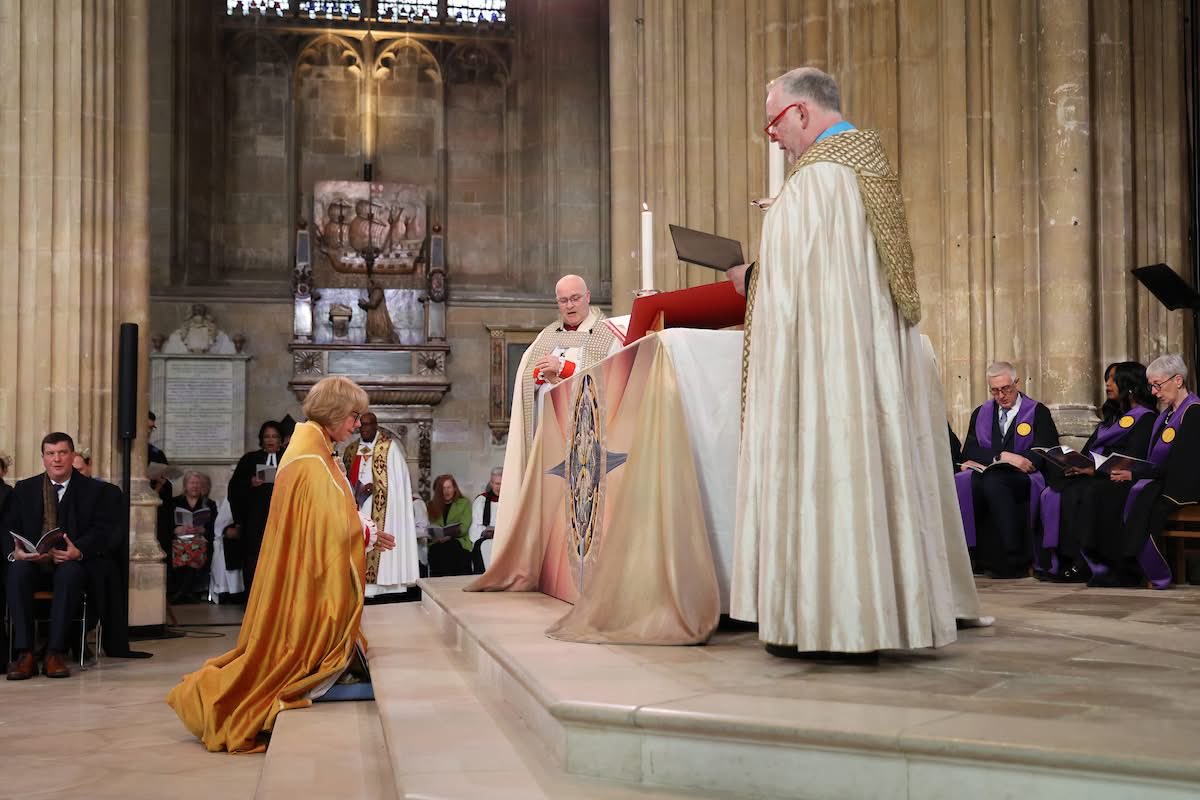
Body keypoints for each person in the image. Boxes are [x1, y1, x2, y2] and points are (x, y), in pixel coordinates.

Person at [727, 67, 982, 657]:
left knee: (829, 471)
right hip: (864, 370)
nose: (771, 135)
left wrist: (751, 278)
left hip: (825, 378)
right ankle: (881, 616)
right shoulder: (866, 167)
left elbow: (792, 298)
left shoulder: (815, 185)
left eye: (772, 121)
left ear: (801, 112)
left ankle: (828, 620)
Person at [167, 376, 396, 753]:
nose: (357, 424)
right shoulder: (311, 457)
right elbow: (327, 524)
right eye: (354, 416)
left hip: (302, 563)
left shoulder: (314, 447)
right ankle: (215, 698)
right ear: (335, 412)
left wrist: (363, 529)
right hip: (306, 572)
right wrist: (365, 532)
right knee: (283, 660)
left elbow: (330, 511)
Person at [493, 274, 622, 564]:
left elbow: (610, 379)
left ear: (588, 297)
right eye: (563, 300)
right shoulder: (548, 336)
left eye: (575, 298)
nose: (570, 305)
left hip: (587, 444)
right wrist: (540, 377)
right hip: (549, 440)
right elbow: (526, 378)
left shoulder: (607, 334)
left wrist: (563, 369)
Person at [3, 432, 113, 680]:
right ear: (43, 458)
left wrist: (79, 551)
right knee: (17, 571)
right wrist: (16, 552)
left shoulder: (94, 490)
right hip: (33, 561)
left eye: (62, 453)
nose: (57, 459)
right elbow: (8, 527)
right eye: (51, 454)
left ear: (72, 456)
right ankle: (25, 653)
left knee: (70, 573)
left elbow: (102, 530)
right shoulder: (24, 489)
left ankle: (55, 652)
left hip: (70, 561)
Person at [1085, 354, 1200, 588]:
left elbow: (1182, 462)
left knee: (1138, 500)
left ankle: (1145, 570)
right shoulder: (1167, 415)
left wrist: (1136, 475)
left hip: (1181, 485)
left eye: (1158, 385)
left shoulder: (1193, 412)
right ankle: (1116, 565)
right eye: (1152, 386)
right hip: (1160, 478)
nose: (1154, 392)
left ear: (1178, 380)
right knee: (1115, 491)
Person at [1035, 363, 1156, 582]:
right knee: (1056, 489)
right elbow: (1087, 452)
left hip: (1120, 479)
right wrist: (1071, 462)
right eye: (1106, 379)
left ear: (1130, 385)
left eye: (1113, 379)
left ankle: (1084, 562)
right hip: (1097, 474)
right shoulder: (1110, 420)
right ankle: (1059, 560)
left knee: (1081, 492)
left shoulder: (1146, 418)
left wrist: (1094, 470)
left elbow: (1133, 458)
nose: (1107, 384)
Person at [956, 361, 1061, 578]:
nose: (1001, 396)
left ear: (1017, 383)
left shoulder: (1036, 411)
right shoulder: (981, 413)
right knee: (967, 481)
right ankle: (973, 555)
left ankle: (1013, 557)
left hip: (1024, 475)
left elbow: (1046, 449)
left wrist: (1021, 460)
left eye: (1006, 389)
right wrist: (1002, 456)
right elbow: (969, 450)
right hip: (991, 471)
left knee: (995, 482)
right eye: (995, 391)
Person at [341, 412, 419, 597]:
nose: (364, 428)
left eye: (368, 424)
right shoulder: (351, 450)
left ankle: (385, 583)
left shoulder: (390, 449)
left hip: (384, 512)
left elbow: (398, 485)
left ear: (376, 425)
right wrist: (356, 491)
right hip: (358, 510)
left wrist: (377, 488)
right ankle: (359, 586)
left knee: (382, 555)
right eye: (362, 425)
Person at [228, 420, 284, 596]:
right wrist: (250, 482)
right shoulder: (249, 459)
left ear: (281, 439)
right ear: (261, 439)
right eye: (267, 436)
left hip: (281, 517)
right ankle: (253, 598)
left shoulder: (287, 457)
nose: (270, 440)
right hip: (255, 518)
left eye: (274, 436)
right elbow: (234, 488)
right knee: (254, 557)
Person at [164, 471, 218, 603]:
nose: (195, 486)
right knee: (181, 549)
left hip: (199, 540)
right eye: (192, 483)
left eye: (198, 483)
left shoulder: (209, 503)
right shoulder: (175, 502)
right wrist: (177, 529)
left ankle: (182, 592)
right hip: (179, 539)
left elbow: (214, 526)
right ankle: (185, 592)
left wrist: (202, 529)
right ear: (185, 485)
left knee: (195, 548)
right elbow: (166, 524)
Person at [426, 474, 473, 577]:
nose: (446, 491)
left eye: (449, 487)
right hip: (437, 541)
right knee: (436, 550)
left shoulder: (464, 503)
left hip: (458, 540)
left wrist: (450, 535)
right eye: (443, 488)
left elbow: (464, 526)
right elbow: (429, 525)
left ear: (454, 488)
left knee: (451, 547)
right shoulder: (431, 505)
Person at [469, 468, 501, 574]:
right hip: (485, 538)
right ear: (491, 483)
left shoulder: (512, 500)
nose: (499, 487)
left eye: (502, 484)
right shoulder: (481, 500)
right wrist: (485, 532)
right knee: (479, 546)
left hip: (505, 538)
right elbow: (474, 527)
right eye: (497, 484)